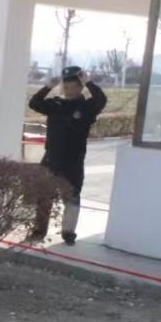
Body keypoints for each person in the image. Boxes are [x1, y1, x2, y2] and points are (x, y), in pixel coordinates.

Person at [27, 66, 107, 245]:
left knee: (72, 196)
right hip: (50, 159)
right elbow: (34, 103)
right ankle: (39, 231)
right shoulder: (55, 104)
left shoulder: (87, 107)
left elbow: (101, 100)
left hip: (73, 162)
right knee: (43, 196)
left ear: (80, 87)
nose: (69, 91)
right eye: (66, 87)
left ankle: (68, 232)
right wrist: (48, 86)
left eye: (74, 87)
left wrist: (89, 82)